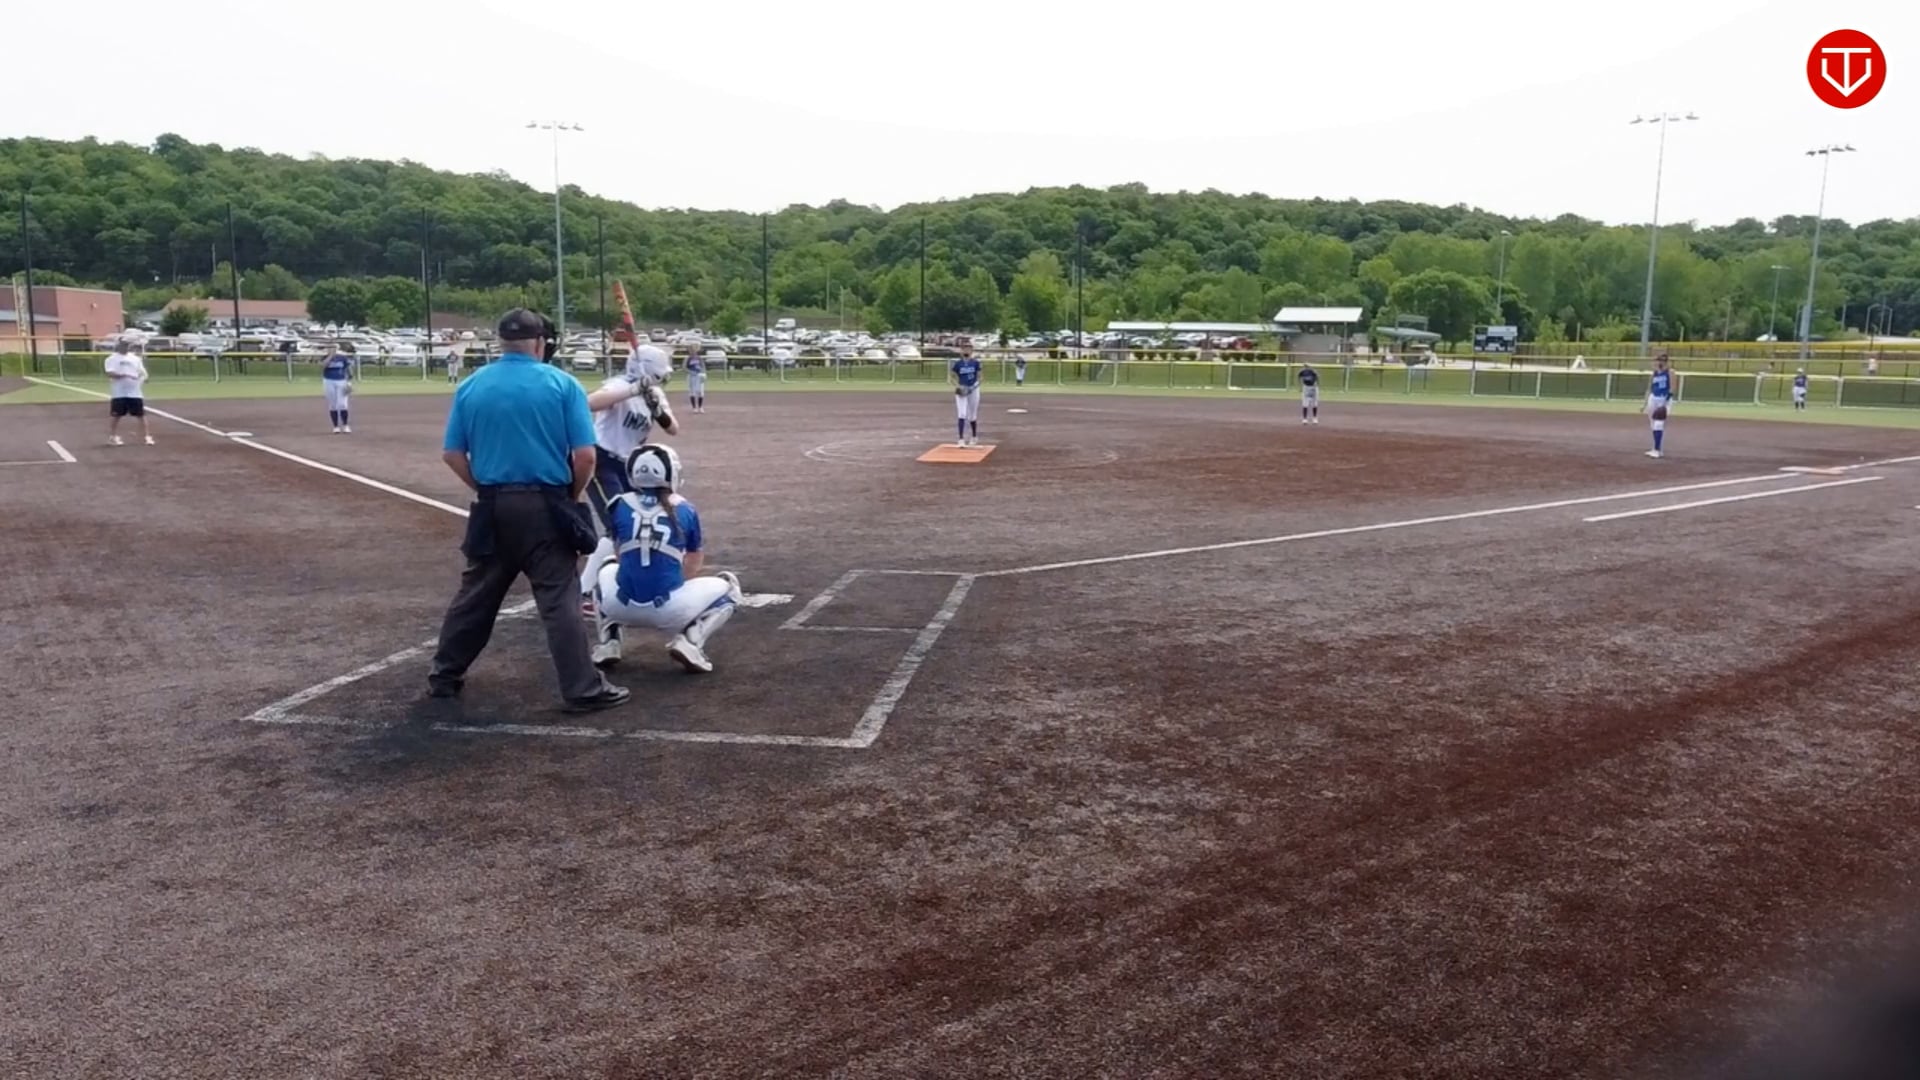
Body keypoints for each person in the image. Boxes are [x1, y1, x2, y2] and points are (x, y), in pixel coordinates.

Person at [426, 308, 629, 714]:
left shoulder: (471, 385)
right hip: (546, 503)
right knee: (559, 598)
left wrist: (485, 489)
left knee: (476, 595)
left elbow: (452, 454)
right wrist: (570, 496)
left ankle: (444, 676)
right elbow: (585, 457)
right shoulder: (562, 384)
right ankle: (582, 689)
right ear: (539, 343)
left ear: (501, 342)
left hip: (493, 504)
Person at [582, 443, 742, 673]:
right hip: (670, 608)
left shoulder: (618, 504)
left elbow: (619, 553)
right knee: (729, 586)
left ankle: (609, 642)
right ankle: (690, 642)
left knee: (606, 567)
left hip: (620, 605)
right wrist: (672, 584)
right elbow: (694, 560)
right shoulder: (685, 509)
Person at [578, 343, 678, 667]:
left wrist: (656, 406)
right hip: (601, 460)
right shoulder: (619, 385)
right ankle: (584, 592)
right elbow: (589, 402)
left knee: (630, 522)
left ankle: (599, 585)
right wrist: (634, 390)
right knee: (617, 524)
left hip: (629, 465)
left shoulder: (654, 393)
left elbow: (673, 428)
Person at [104, 333, 153, 446]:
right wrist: (125, 375)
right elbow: (110, 373)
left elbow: (142, 373)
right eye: (123, 344)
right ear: (119, 345)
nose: (125, 346)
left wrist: (143, 378)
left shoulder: (135, 359)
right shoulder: (111, 359)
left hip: (135, 393)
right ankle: (112, 437)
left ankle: (147, 436)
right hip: (119, 393)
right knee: (117, 415)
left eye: (127, 344)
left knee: (141, 415)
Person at [951, 345, 984, 446]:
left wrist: (973, 387)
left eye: (968, 349)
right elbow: (951, 377)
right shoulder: (958, 364)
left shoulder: (975, 363)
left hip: (973, 390)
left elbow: (981, 378)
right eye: (964, 349)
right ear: (961, 351)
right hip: (962, 389)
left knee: (972, 415)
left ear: (972, 351)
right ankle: (961, 439)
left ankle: (974, 436)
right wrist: (958, 386)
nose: (966, 351)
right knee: (962, 414)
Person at [1645, 352, 1675, 458]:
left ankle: (1657, 450)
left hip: (1663, 398)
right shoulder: (1654, 373)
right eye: (1657, 360)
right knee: (1653, 424)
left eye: (1660, 360)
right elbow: (1649, 389)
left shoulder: (1670, 372)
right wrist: (1644, 403)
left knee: (1659, 423)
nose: (1658, 362)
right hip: (1653, 398)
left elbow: (1672, 388)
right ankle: (1655, 448)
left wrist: (1665, 402)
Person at [321, 343, 354, 433]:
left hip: (341, 381)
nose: (331, 349)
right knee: (333, 404)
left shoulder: (342, 357)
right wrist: (331, 356)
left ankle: (345, 425)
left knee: (343, 404)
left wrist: (349, 382)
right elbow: (323, 366)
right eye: (330, 348)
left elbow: (349, 370)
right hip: (328, 381)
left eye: (333, 348)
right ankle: (336, 426)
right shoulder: (325, 357)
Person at [685, 348, 708, 413]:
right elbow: (684, 367)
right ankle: (694, 408)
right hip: (691, 376)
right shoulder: (688, 358)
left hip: (699, 375)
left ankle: (700, 407)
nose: (693, 352)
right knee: (692, 392)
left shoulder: (699, 358)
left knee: (701, 391)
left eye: (694, 350)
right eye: (691, 351)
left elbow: (703, 366)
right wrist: (690, 372)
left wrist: (704, 374)